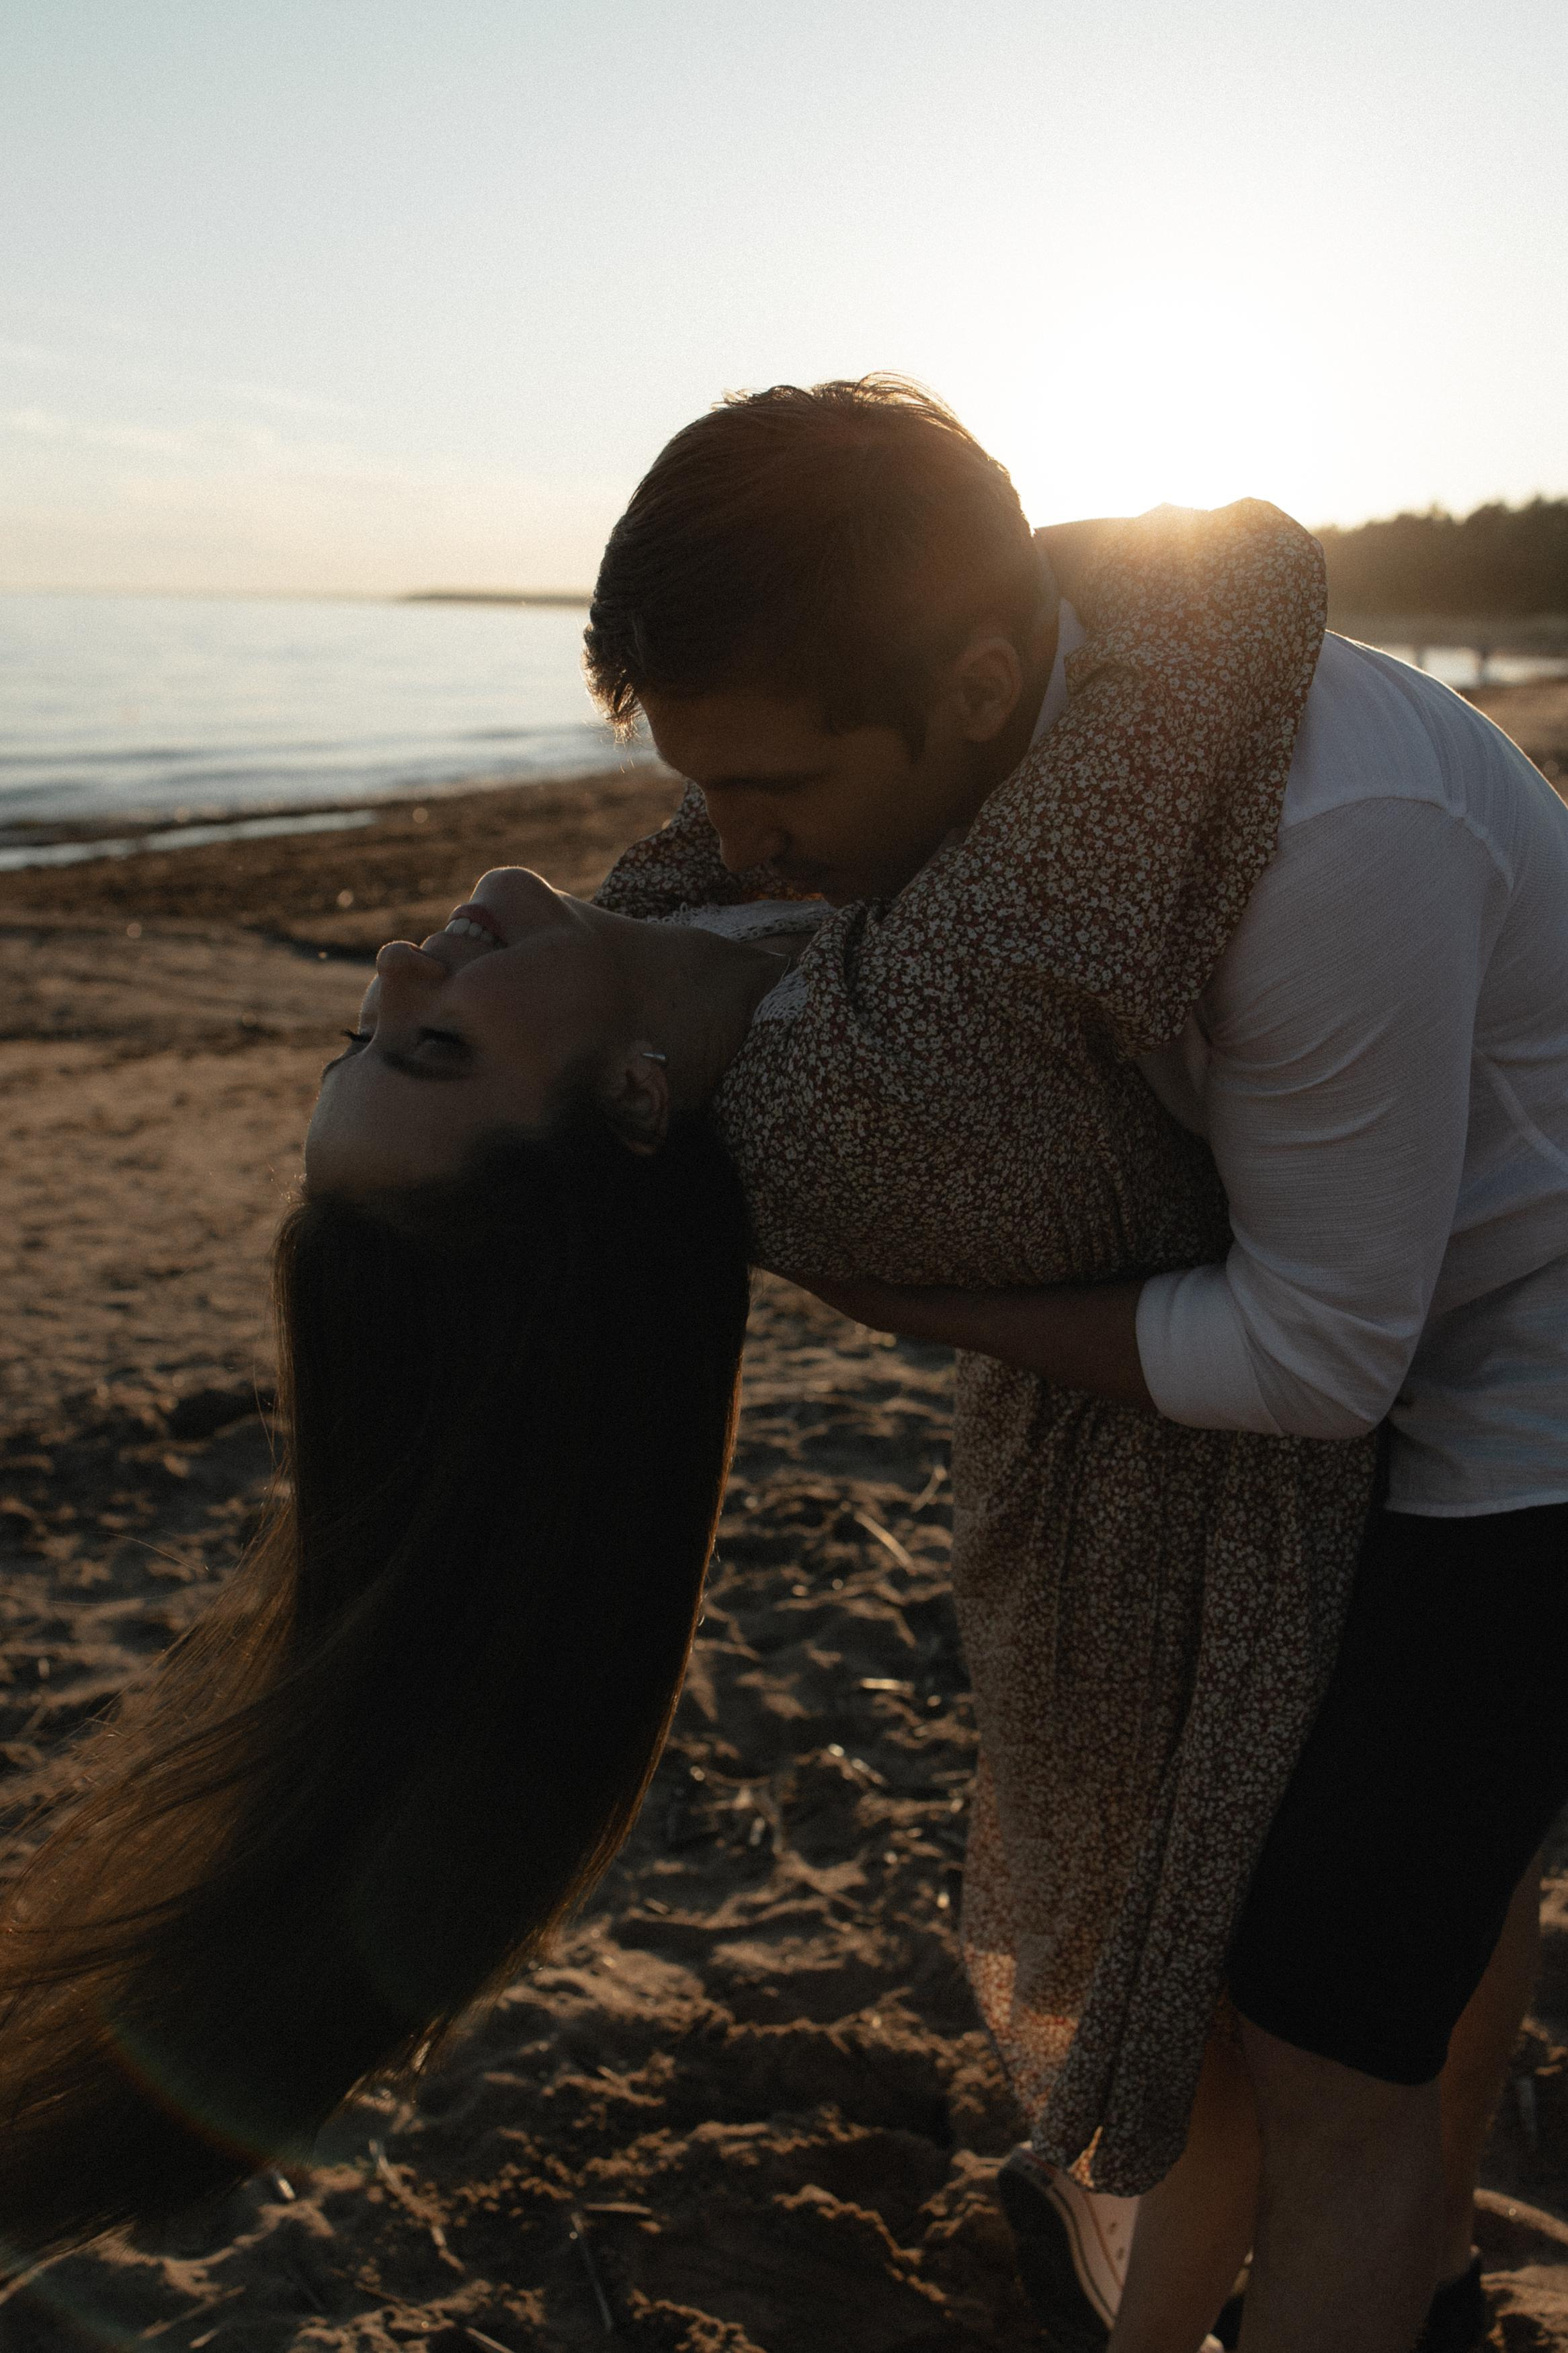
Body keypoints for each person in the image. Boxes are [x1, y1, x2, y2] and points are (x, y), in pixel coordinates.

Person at [0, 472, 1375, 2332]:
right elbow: (1234, 594)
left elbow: (750, 808)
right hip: (1405, 1459)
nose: (401, 961)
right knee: (1346, 2102)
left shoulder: (685, 972)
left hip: (1289, 1443)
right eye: (427, 1042)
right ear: (632, 1109)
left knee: (1313, 2083)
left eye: (363, 1032)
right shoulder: (873, 1100)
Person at [583, 381, 1568, 2353]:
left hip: (1525, 1427)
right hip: (1403, 1360)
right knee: (1397, 1957)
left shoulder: (1325, 842)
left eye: (776, 788)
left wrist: (921, 1303)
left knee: (1326, 2045)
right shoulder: (1053, 728)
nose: (736, 840)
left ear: (966, 687)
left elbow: (1312, 1347)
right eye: (702, 789)